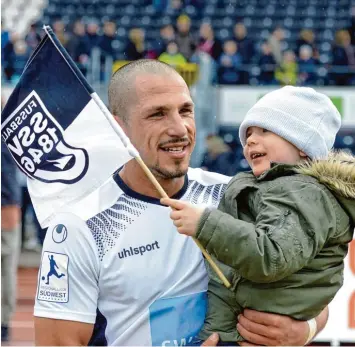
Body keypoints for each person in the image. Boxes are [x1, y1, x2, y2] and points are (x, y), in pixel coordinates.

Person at [34, 60, 329, 346]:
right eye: (157, 114)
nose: (179, 128)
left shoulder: (235, 195)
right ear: (118, 128)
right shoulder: (79, 226)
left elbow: (310, 288)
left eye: (185, 111)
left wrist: (304, 330)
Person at [161, 86, 355, 344]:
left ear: (303, 147)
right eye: (248, 133)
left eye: (264, 131)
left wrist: (204, 223)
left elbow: (272, 255)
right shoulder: (265, 187)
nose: (250, 140)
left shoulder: (303, 194)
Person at [1, 141, 21, 342]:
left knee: (6, 269)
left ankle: (4, 322)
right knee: (6, 268)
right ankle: (3, 322)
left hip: (5, 204)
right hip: (6, 204)